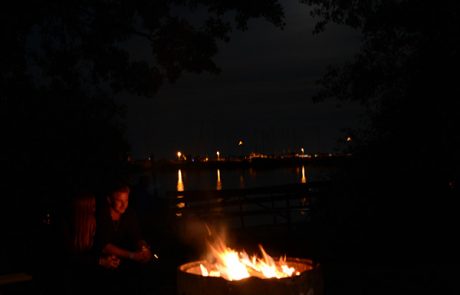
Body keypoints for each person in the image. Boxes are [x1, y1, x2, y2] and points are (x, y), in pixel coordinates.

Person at [94, 184, 154, 294]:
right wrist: (132, 255)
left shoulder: (129, 214)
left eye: (126, 201)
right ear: (109, 200)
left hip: (126, 264)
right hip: (106, 264)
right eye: (119, 201)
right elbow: (104, 246)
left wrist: (143, 247)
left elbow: (137, 236)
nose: (124, 205)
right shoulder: (102, 216)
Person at [62, 193, 120, 294]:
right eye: (93, 207)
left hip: (89, 280)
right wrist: (100, 261)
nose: (95, 210)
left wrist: (108, 259)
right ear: (83, 210)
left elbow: (96, 249)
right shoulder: (65, 228)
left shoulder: (92, 226)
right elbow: (69, 258)